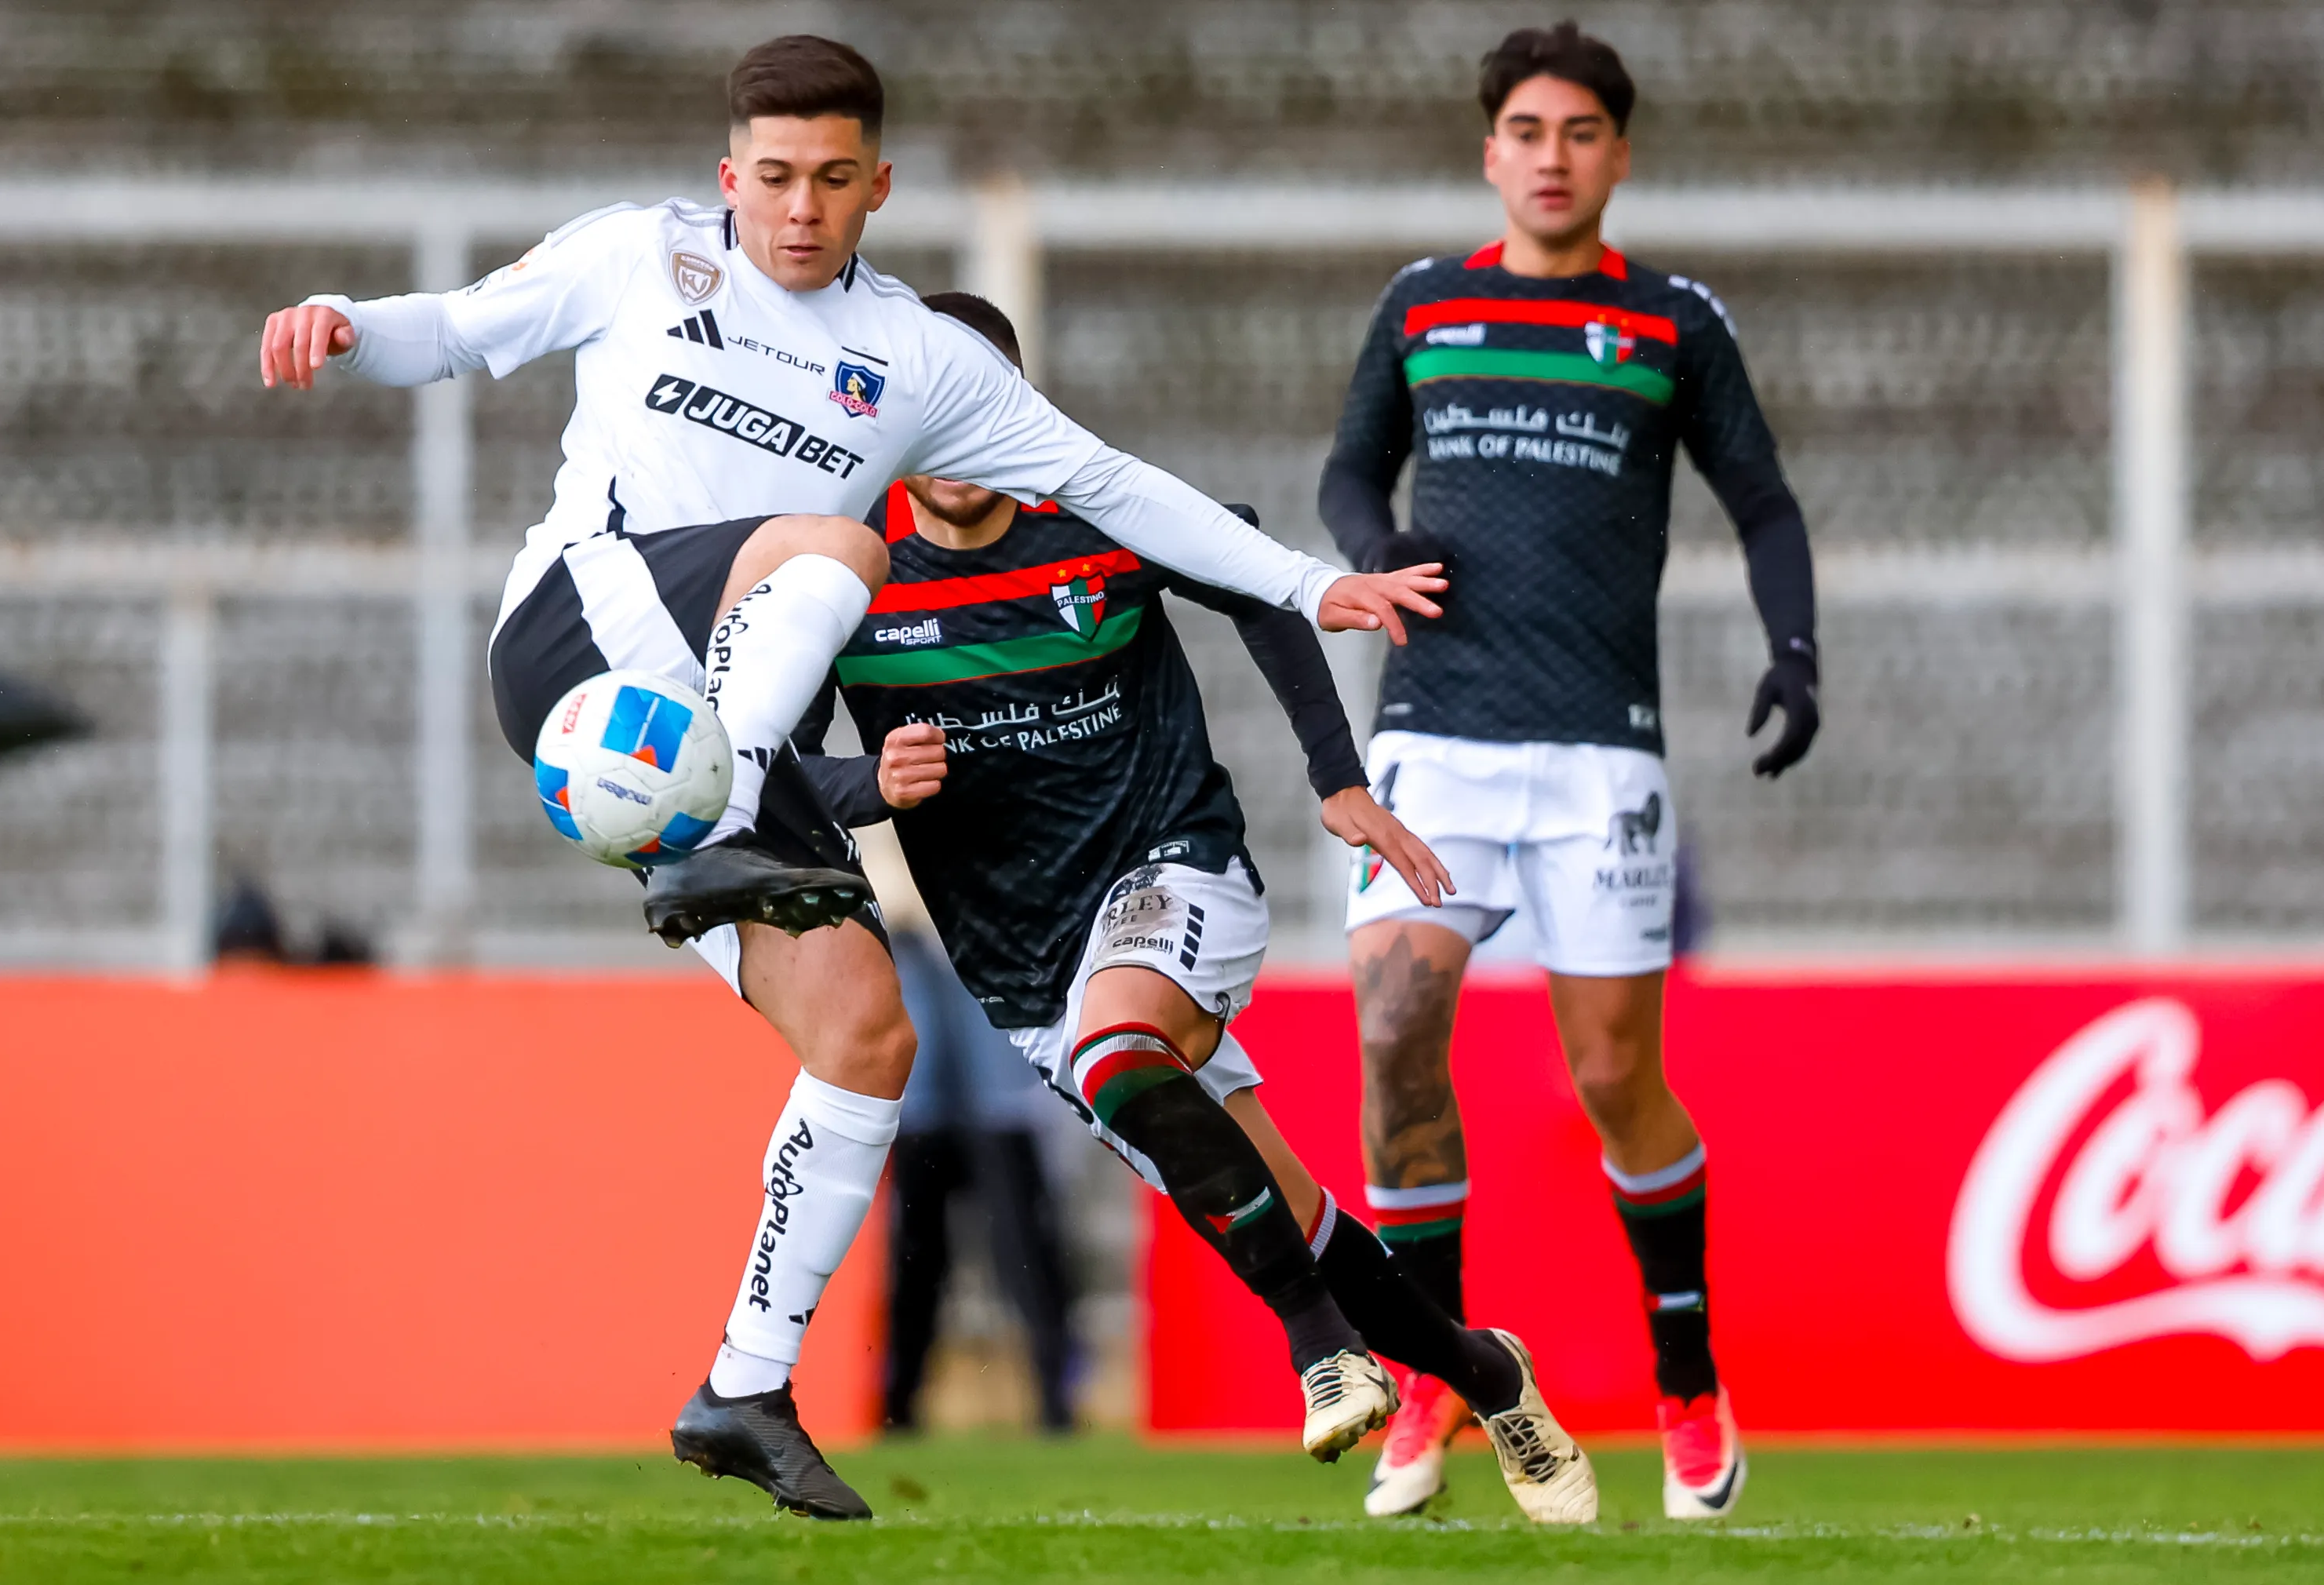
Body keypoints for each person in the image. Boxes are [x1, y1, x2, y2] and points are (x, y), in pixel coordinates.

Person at [255, 35, 1444, 1521]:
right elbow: (461, 326)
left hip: (685, 769)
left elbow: (1110, 483)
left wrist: (1302, 580)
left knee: (867, 1037)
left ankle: (743, 1387)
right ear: (725, 177)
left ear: (877, 184)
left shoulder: (922, 363)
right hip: (582, 649)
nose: (798, 210)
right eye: (770, 179)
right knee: (841, 549)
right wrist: (340, 321)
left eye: (831, 180)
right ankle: (734, 818)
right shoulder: (643, 260)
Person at [799, 290, 1601, 1523]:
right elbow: (769, 764)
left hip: (1174, 866)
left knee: (1122, 1045)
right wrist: (865, 781)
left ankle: (1318, 1348)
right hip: (1015, 963)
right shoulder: (840, 566)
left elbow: (1261, 583)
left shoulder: (1100, 509)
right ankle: (1488, 1374)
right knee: (1286, 1203)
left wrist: (1338, 778)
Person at [1319, 23, 1819, 1521]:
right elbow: (1352, 470)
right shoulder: (1426, 304)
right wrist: (1369, 550)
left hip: (1602, 750)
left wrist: (1794, 653)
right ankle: (1440, 1377)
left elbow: (1766, 503)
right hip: (1436, 739)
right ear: (1492, 151)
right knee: (1395, 1030)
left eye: (1581, 132)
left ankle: (1685, 1379)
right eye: (1527, 131)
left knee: (1614, 1076)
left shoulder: (1674, 320)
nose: (1552, 156)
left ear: (1618, 152)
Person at [881, 914, 1078, 1434]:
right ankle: (898, 1400)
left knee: (1020, 1247)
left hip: (993, 1090)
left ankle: (1056, 1398)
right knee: (918, 1252)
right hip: (938, 1087)